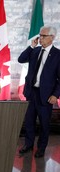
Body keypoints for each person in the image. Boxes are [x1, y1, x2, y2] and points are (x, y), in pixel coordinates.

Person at [18, 26, 60, 158]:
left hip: (46, 95)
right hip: (32, 92)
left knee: (44, 123)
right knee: (29, 121)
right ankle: (28, 145)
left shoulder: (58, 55)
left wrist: (55, 95)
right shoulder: (35, 51)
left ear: (52, 38)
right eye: (40, 35)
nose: (40, 38)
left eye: (43, 36)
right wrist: (31, 46)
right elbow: (21, 59)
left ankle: (41, 148)